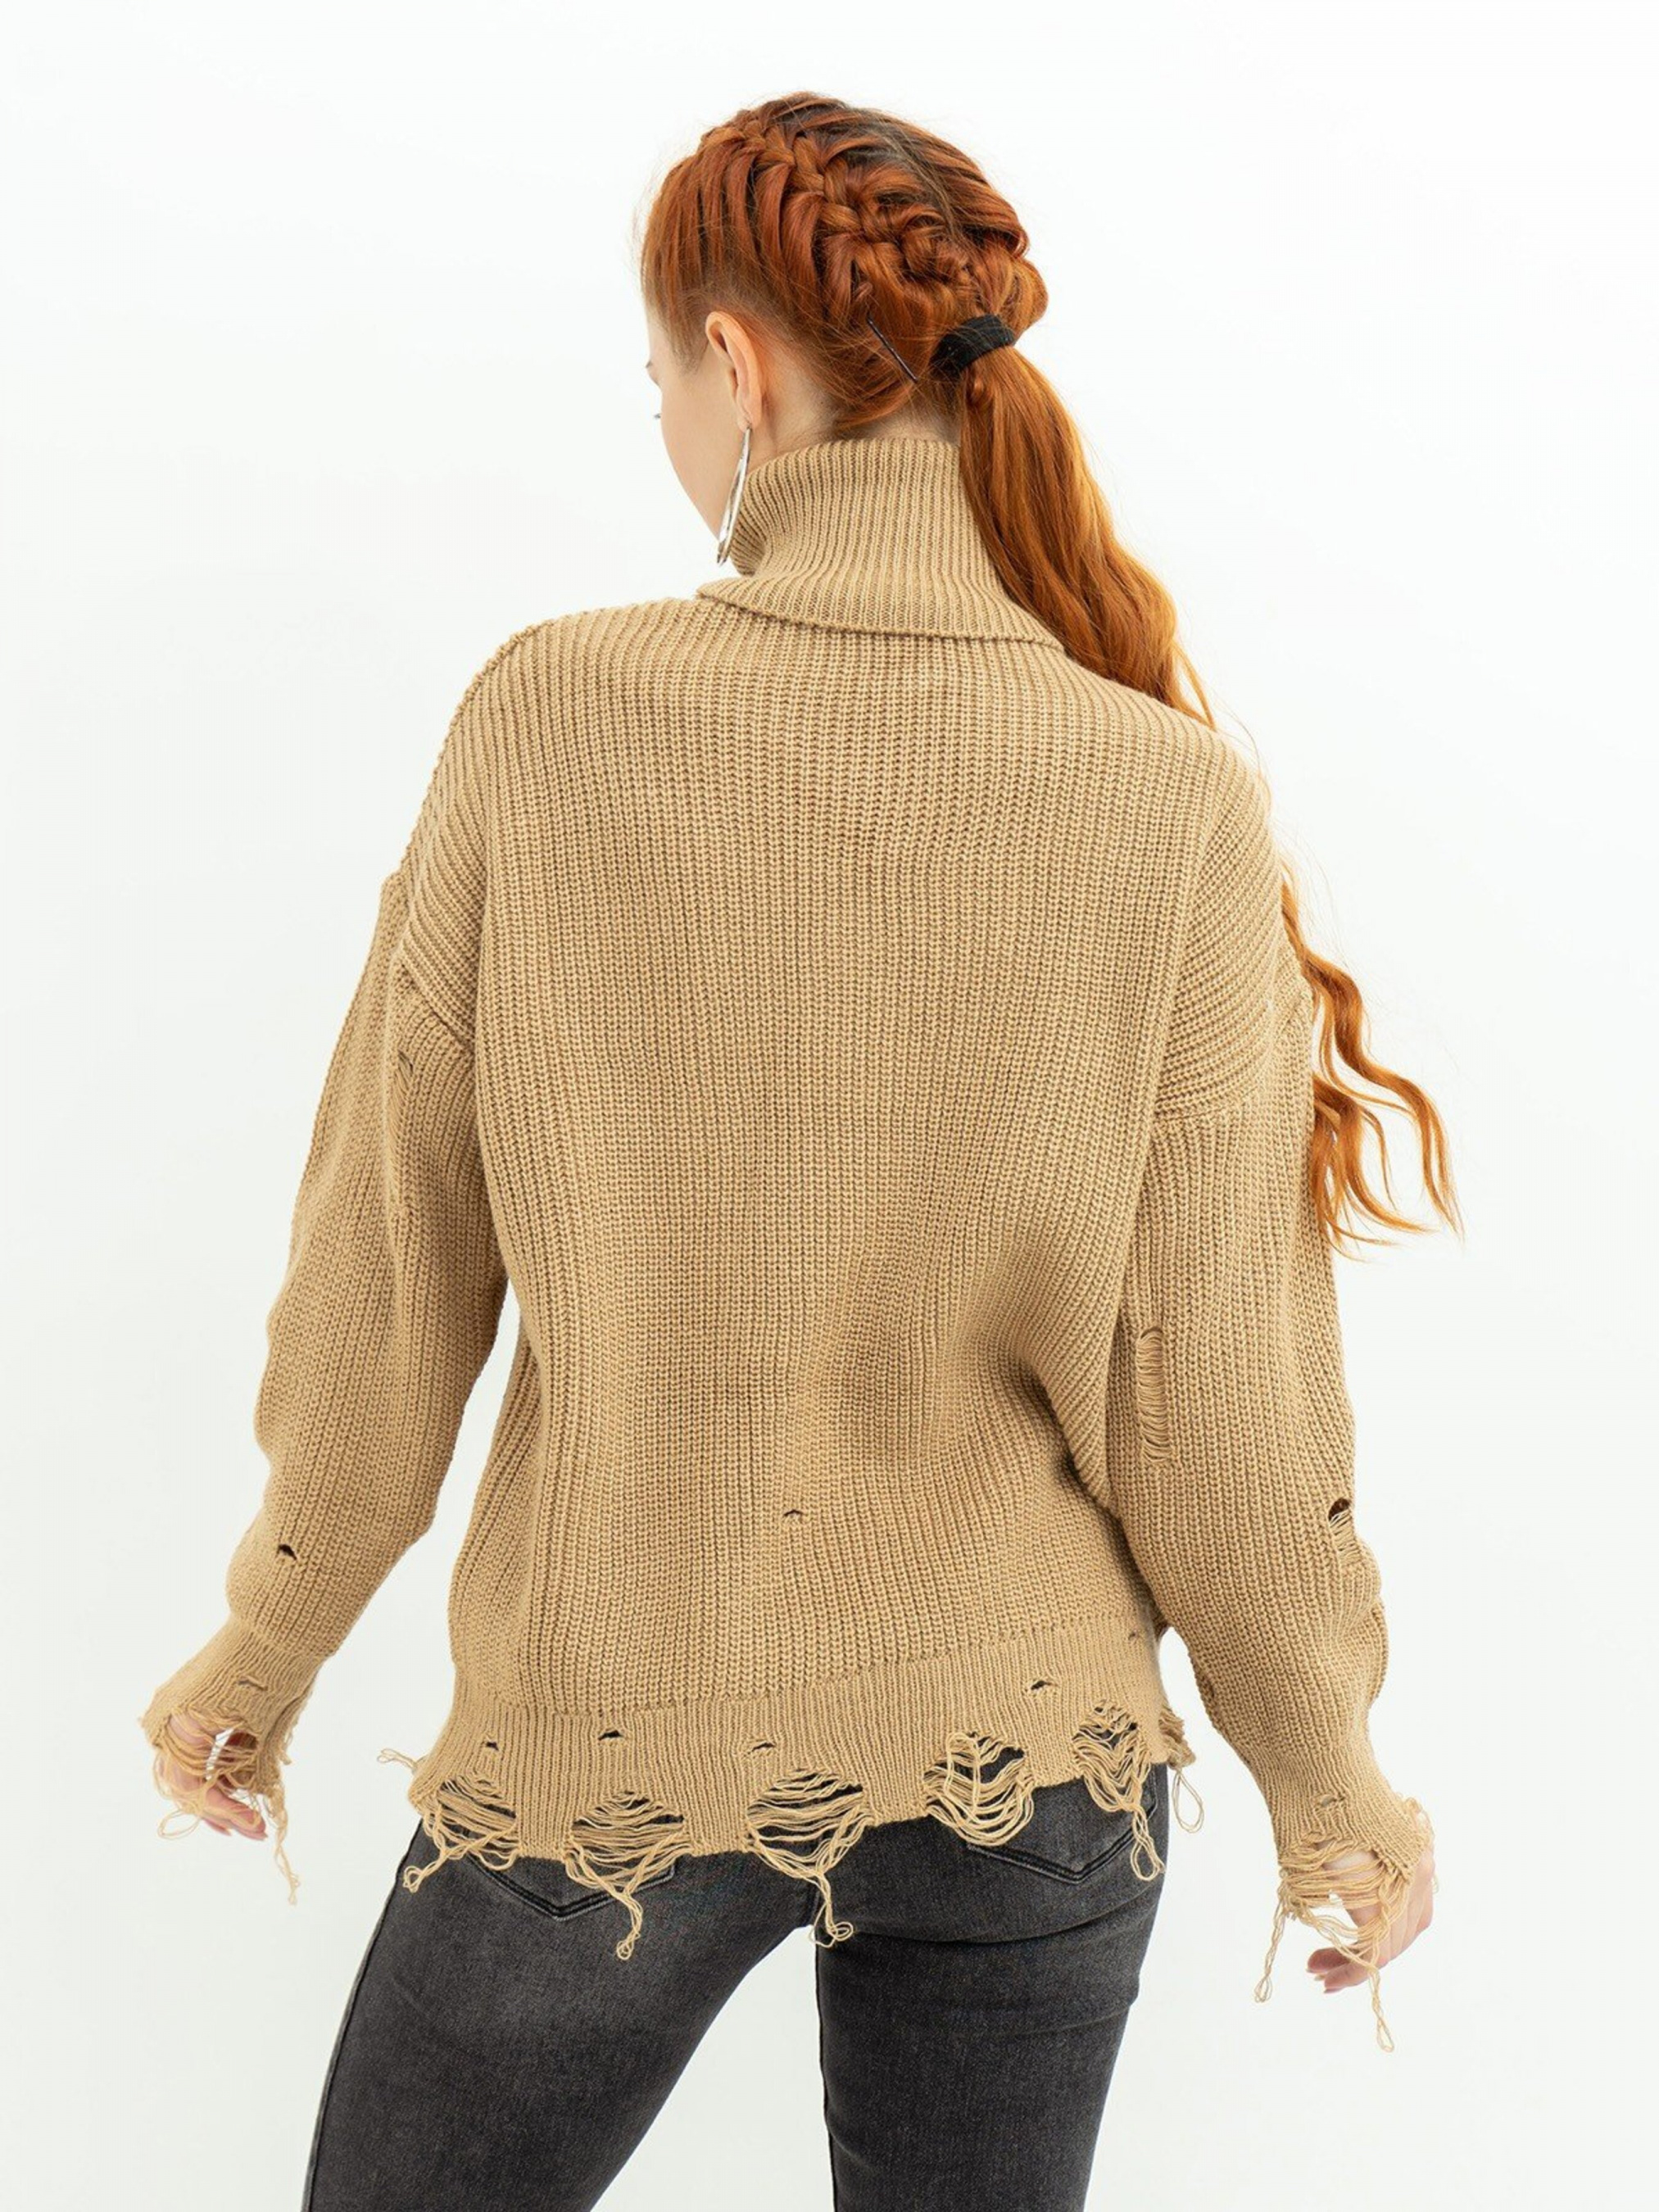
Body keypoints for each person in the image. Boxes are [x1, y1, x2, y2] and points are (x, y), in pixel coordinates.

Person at [139, 91, 1450, 2211]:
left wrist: (264, 1642)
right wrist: (1332, 1782)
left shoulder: (550, 718)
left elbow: (395, 1264)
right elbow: (1218, 1395)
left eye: (660, 374)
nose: (663, 416)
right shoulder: (1166, 794)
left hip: (612, 1745)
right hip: (1036, 1765)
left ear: (737, 368)